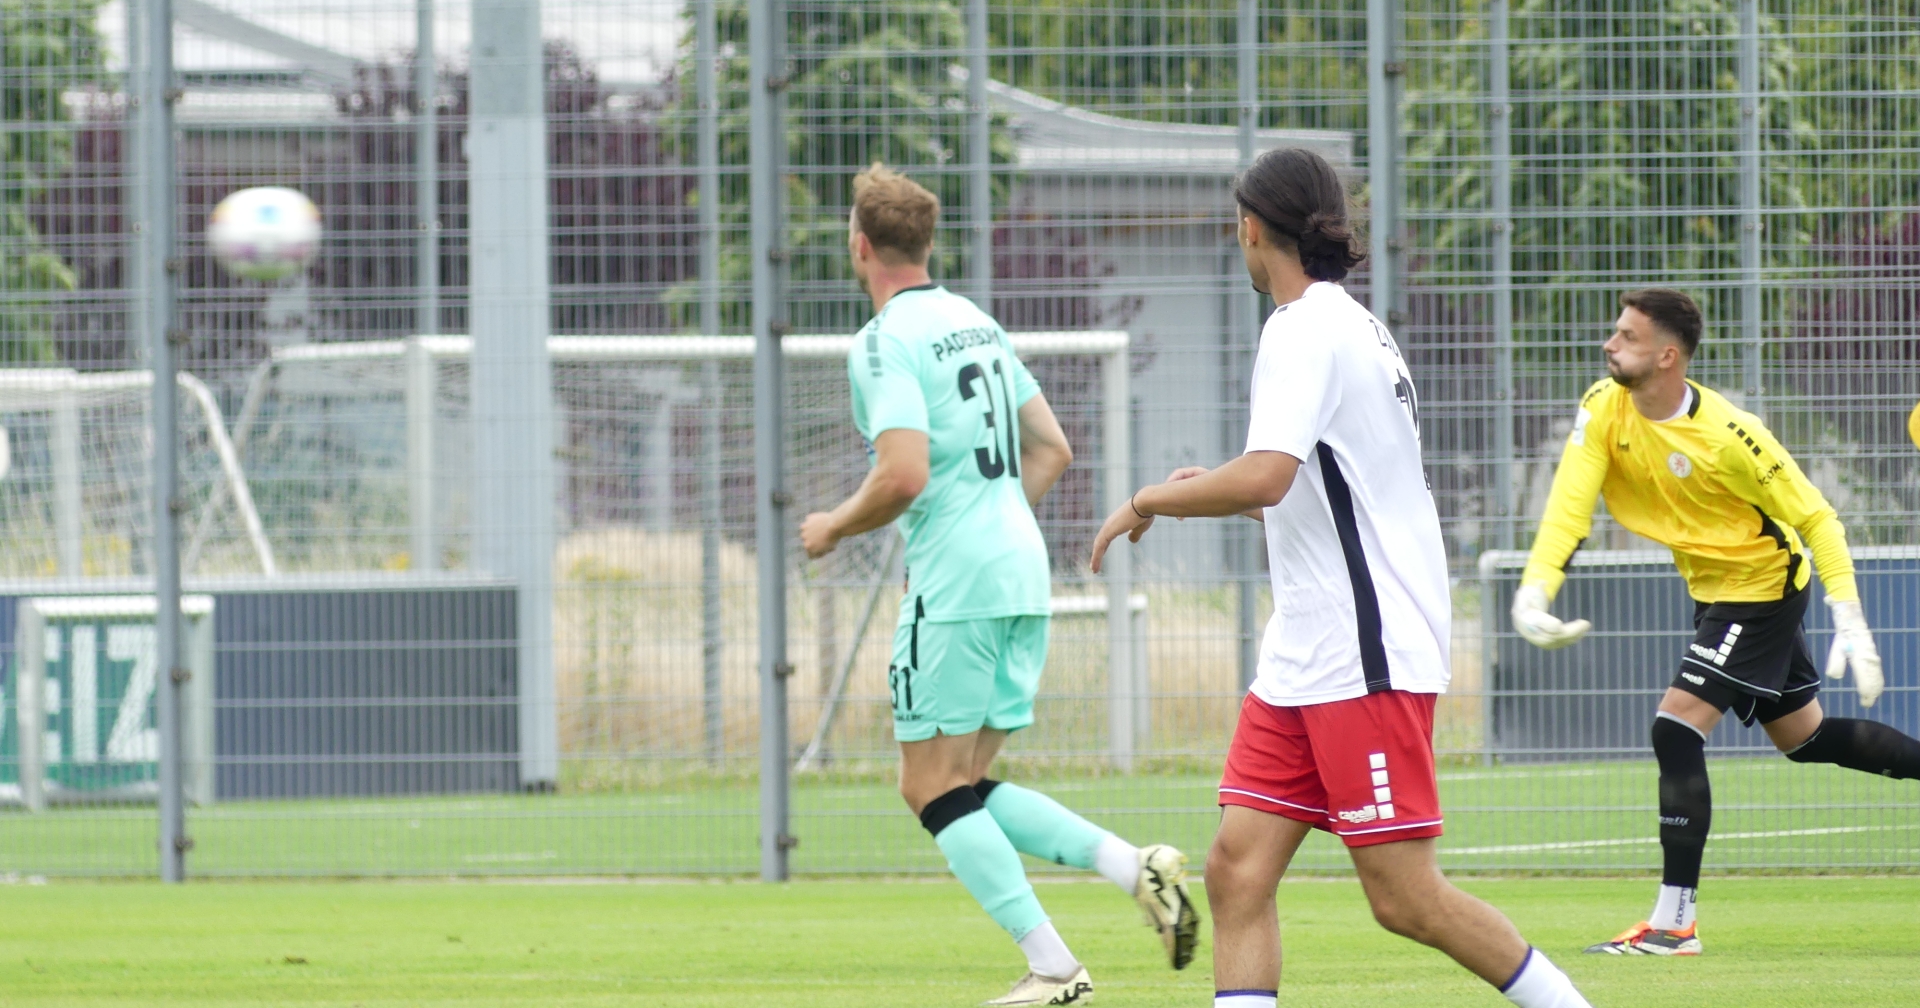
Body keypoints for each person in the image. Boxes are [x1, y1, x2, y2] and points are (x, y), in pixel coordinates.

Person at [1090, 147, 1594, 1008]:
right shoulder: (1351, 323)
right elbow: (1329, 496)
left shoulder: (1302, 328)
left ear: (1252, 229)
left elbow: (1267, 477)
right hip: (1306, 653)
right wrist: (1212, 492)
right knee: (1237, 870)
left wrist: (1149, 501)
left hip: (1364, 653)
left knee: (1405, 898)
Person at [800, 164, 1199, 1008]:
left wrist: (833, 524)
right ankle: (1135, 867)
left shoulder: (884, 340)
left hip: (958, 579)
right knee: (965, 784)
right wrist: (993, 524)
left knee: (926, 784)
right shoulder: (972, 321)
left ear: (860, 246)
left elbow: (903, 474)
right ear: (926, 241)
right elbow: (1052, 448)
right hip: (1020, 566)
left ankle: (1054, 968)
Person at [1513, 286, 1920, 956]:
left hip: (1761, 587)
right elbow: (1569, 508)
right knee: (1805, 739)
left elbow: (1817, 518)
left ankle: (1674, 925)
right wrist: (1535, 589)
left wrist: (1849, 616)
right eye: (1616, 332)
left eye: (1628, 337)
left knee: (1675, 727)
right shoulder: (1602, 406)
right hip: (1714, 589)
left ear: (1667, 356)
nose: (1610, 345)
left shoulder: (1731, 434)